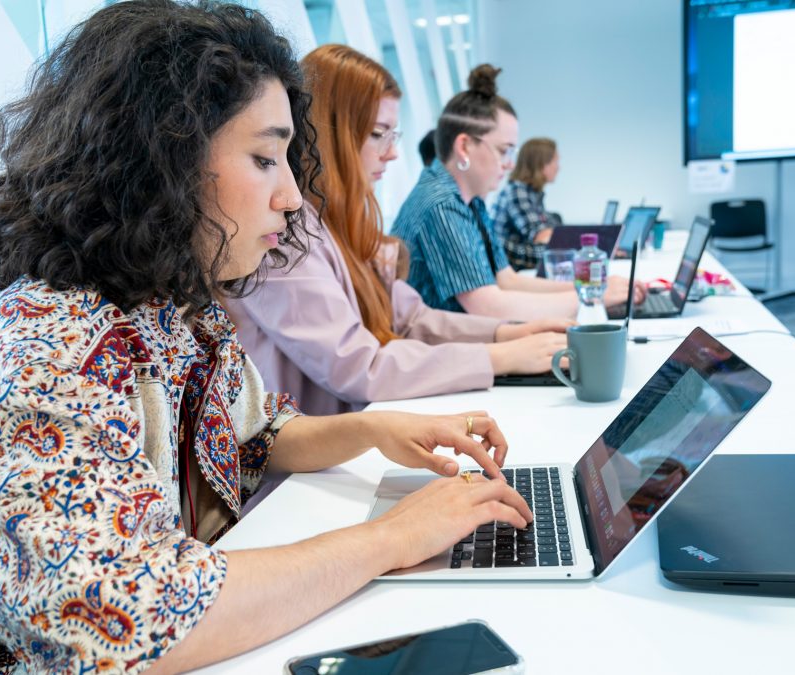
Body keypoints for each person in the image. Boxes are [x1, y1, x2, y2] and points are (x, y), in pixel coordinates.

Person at [0, 4, 532, 673]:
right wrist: (391, 538)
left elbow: (257, 434)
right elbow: (129, 629)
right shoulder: (45, 348)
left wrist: (378, 431)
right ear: (160, 159)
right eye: (266, 159)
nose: (293, 196)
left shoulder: (177, 307)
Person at [225, 44, 570, 416]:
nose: (391, 153)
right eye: (378, 134)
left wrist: (505, 334)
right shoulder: (285, 235)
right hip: (313, 464)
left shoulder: (345, 220)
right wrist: (500, 352)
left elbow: (408, 316)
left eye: (393, 135)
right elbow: (358, 367)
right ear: (331, 134)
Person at [392, 65, 645, 320]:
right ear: (465, 146)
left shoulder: (470, 201)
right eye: (504, 151)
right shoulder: (441, 204)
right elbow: (488, 306)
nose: (510, 164)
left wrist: (589, 288)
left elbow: (507, 280)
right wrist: (595, 296)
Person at [494, 137, 564, 270]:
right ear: (542, 164)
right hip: (509, 270)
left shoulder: (532, 193)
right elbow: (541, 236)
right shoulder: (517, 191)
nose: (558, 167)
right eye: (556, 161)